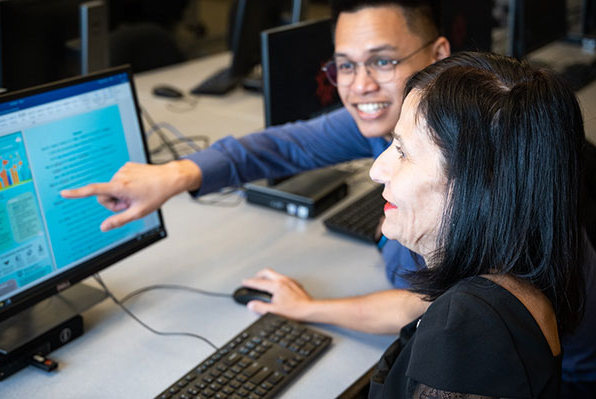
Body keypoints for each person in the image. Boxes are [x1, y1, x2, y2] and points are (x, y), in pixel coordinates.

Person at [61, 0, 596, 391]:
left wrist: (314, 307)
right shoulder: (414, 122)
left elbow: (443, 304)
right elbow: (283, 146)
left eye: (383, 61)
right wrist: (177, 174)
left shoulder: (482, 299)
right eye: (344, 64)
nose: (359, 84)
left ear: (437, 53)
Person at [366, 51, 585, 397]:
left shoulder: (468, 327)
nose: (377, 170)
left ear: (475, 184)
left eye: (403, 151)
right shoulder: (514, 281)